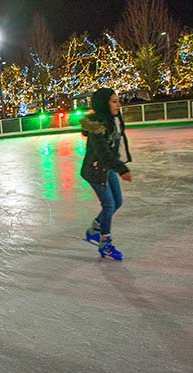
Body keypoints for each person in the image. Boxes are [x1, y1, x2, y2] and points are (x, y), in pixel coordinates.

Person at [80, 87, 132, 260]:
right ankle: (105, 244)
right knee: (109, 204)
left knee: (117, 202)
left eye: (118, 101)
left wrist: (118, 164)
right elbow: (103, 153)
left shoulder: (112, 121)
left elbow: (114, 149)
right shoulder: (98, 128)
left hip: (106, 167)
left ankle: (94, 229)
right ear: (104, 104)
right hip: (95, 170)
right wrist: (122, 169)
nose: (118, 105)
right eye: (114, 101)